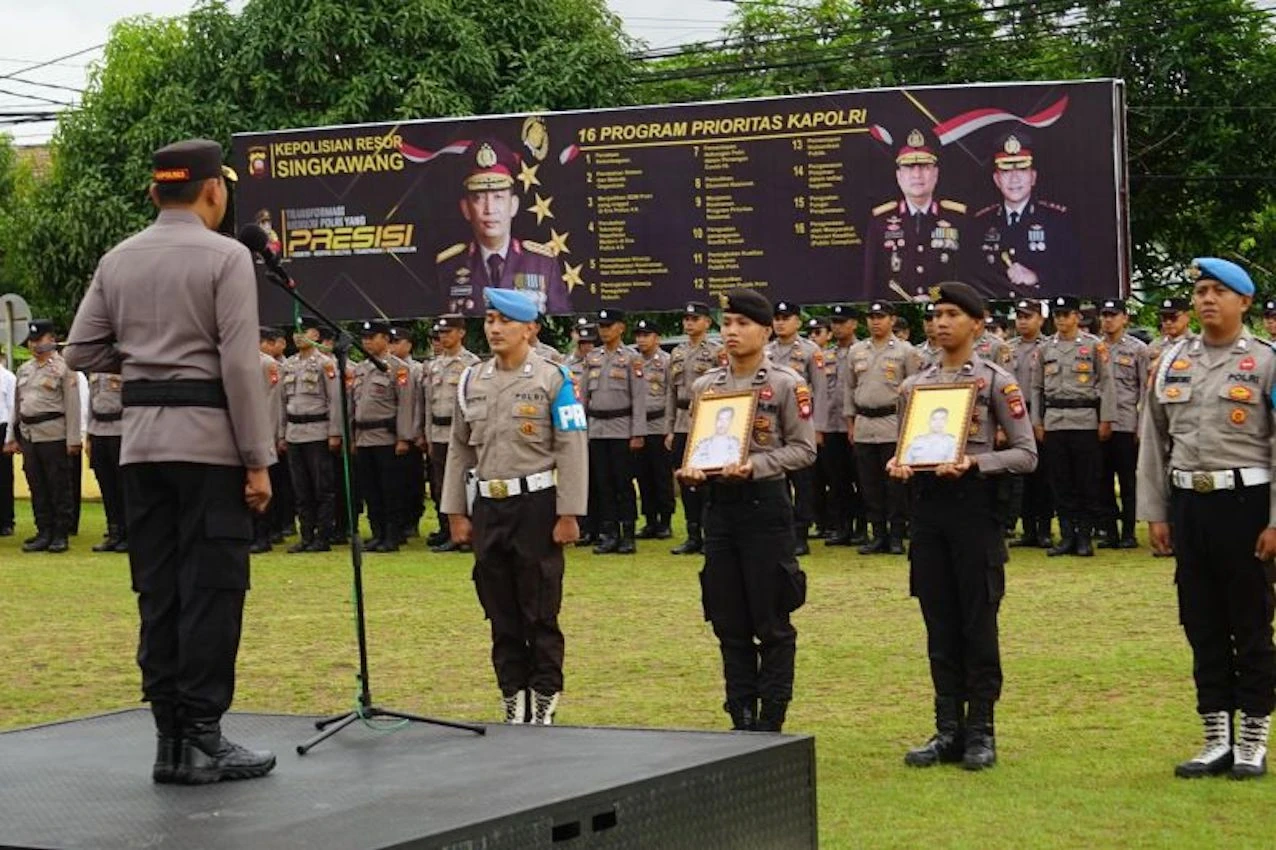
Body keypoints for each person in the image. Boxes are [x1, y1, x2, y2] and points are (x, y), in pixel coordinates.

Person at [64, 138, 276, 784]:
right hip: (210, 449)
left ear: (156, 192)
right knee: (212, 588)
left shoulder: (119, 258)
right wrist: (258, 460)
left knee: (157, 591)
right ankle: (204, 737)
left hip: (142, 450)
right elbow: (240, 366)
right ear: (215, 191)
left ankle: (169, 741)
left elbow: (78, 350)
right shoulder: (228, 258)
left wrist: (146, 366)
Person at [1137, 257, 1276, 780]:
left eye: (1219, 291)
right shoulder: (1173, 359)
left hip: (1246, 507)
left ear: (1244, 302)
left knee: (1251, 623)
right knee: (1201, 623)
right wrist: (1155, 512)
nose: (1206, 300)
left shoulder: (1266, 362)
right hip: (1189, 505)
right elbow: (1154, 440)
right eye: (1200, 291)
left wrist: (1275, 522)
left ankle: (1253, 739)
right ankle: (1215, 737)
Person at [890, 281, 1036, 771]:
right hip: (929, 508)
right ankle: (946, 727)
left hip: (974, 510)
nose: (940, 323)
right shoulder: (915, 385)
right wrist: (901, 464)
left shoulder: (997, 381)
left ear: (977, 323)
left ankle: (981, 730)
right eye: (935, 315)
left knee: (977, 621)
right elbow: (905, 447)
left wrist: (976, 465)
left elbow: (1025, 453)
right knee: (938, 621)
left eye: (952, 314)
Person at [442, 287, 588, 725]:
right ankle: (512, 694)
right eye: (489, 320)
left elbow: (572, 446)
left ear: (531, 328)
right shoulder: (472, 380)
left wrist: (569, 513)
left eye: (505, 321)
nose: (495, 329)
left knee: (539, 607)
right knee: (499, 609)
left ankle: (544, 694)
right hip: (489, 504)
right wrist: (454, 511)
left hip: (537, 505)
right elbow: (458, 449)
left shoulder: (554, 378)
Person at [676, 287, 816, 733]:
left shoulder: (785, 384)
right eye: (727, 324)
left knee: (771, 618)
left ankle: (771, 719)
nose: (731, 332)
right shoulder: (706, 387)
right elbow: (697, 447)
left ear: (766, 329)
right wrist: (694, 470)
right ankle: (741, 716)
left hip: (765, 506)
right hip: (719, 509)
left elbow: (803, 449)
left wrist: (755, 466)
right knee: (727, 617)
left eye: (742, 324)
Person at [436, 138, 569, 316]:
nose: (489, 209)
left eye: (498, 197)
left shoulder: (542, 263)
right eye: (479, 198)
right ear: (466, 209)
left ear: (513, 205)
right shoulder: (448, 266)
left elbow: (562, 317)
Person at [1030, 295, 1117, 557]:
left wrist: (1106, 418)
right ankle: (1067, 536)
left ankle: (1084, 537)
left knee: (1087, 481)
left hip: (1085, 420)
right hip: (1055, 420)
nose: (1061, 319)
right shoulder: (1046, 348)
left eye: (1066, 314)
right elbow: (1036, 387)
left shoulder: (1093, 346)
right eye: (1057, 315)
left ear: (1077, 317)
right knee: (1060, 482)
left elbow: (1107, 384)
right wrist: (1037, 420)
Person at [844, 301, 921, 554]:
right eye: (871, 317)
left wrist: (910, 429)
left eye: (881, 316)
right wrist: (851, 422)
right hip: (865, 424)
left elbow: (914, 390)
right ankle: (877, 534)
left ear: (892, 319)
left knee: (895, 485)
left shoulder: (905, 351)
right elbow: (849, 388)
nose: (875, 321)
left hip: (892, 423)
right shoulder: (857, 350)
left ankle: (897, 535)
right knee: (869, 484)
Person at [4, 319, 80, 553]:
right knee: (36, 485)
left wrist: (73, 439)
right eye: (32, 340)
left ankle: (60, 534)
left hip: (54, 434)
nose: (35, 344)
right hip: (30, 435)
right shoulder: (24, 370)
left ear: (52, 339)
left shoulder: (64, 368)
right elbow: (17, 407)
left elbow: (73, 405)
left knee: (58, 486)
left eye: (40, 339)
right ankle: (43, 530)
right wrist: (12, 436)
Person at [864, 128, 967, 299]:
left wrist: (933, 298)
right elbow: (872, 284)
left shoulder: (957, 219)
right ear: (898, 175)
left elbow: (966, 278)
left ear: (935, 173)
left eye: (925, 167)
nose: (917, 175)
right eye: (909, 167)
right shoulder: (880, 221)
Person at [973, 132, 1077, 299]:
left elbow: (1074, 276)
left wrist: (1036, 277)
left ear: (1033, 177)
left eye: (1022, 169)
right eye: (1006, 171)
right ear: (997, 179)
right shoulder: (980, 223)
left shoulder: (1056, 221)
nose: (1014, 178)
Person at [581, 307, 646, 555]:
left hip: (622, 428)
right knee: (603, 483)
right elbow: (584, 397)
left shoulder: (631, 358)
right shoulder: (592, 358)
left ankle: (627, 532)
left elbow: (639, 398)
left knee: (623, 483)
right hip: (597, 429)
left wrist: (637, 433)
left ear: (621, 328)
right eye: (601, 326)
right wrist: (582, 429)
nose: (604, 330)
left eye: (608, 326)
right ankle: (609, 533)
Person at [767, 301, 828, 555]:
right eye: (777, 317)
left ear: (798, 322)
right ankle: (782, 531)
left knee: (803, 482)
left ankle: (801, 533)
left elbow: (821, 391)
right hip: (771, 425)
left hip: (800, 423)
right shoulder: (765, 350)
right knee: (777, 481)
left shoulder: (810, 350)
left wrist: (819, 427)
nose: (780, 322)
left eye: (786, 317)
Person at [351, 319, 416, 553]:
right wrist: (353, 437)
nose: (367, 341)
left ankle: (393, 534)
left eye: (372, 337)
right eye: (364, 338)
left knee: (391, 489)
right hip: (364, 436)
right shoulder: (360, 369)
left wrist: (403, 437)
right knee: (371, 489)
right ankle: (377, 533)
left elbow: (406, 405)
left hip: (387, 437)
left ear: (386, 340)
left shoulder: (398, 369)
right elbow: (354, 406)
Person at [666, 301, 725, 555]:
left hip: (706, 418)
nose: (689, 323)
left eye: (695, 319)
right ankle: (692, 534)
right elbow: (670, 392)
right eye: (686, 319)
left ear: (707, 323)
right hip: (681, 420)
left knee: (708, 479)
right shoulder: (677, 353)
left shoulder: (716, 351)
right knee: (685, 478)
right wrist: (669, 428)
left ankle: (711, 532)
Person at [418, 314, 480, 553]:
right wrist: (427, 435)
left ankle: (470, 532)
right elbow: (427, 404)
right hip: (438, 431)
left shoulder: (471, 364)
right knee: (439, 485)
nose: (443, 337)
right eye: (441, 333)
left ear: (461, 333)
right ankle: (447, 529)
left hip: (460, 433)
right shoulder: (433, 365)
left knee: (464, 483)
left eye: (448, 332)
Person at [280, 316, 341, 553]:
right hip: (294, 432)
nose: (297, 336)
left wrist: (334, 433)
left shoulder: (326, 364)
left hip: (317, 431)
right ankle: (306, 535)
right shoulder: (289, 364)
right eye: (294, 331)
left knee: (322, 488)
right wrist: (280, 433)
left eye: (303, 331)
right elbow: (281, 403)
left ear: (315, 335)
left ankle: (323, 536)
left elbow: (335, 400)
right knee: (301, 489)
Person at [1097, 299, 1147, 548]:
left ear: (1125, 318)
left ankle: (1128, 532)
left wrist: (1142, 425)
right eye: (1105, 315)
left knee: (1127, 481)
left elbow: (1144, 390)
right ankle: (1109, 531)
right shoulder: (1093, 348)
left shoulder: (1138, 350)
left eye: (1113, 315)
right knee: (1102, 480)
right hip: (1099, 424)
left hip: (1127, 422)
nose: (1108, 320)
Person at [1007, 299, 1054, 548]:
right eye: (1020, 316)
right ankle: (1027, 530)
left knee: (1043, 476)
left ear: (1041, 319)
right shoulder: (1007, 349)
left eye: (1028, 316)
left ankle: (1044, 529)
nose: (1023, 321)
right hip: (1014, 415)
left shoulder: (1048, 347)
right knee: (1020, 475)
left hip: (1040, 413)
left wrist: (1040, 420)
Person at [823, 304, 866, 546]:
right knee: (837, 480)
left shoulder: (862, 352)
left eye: (842, 322)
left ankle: (861, 527)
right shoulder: (826, 355)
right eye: (834, 322)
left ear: (854, 324)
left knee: (859, 478)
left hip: (857, 424)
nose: (837, 327)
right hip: (831, 425)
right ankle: (842, 527)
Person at [633, 318, 674, 539]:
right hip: (638, 426)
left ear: (656, 337)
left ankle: (665, 521)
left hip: (659, 424)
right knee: (643, 475)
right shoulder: (632, 361)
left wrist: (669, 428)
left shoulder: (666, 362)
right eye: (638, 335)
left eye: (646, 335)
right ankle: (649, 520)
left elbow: (670, 394)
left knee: (661, 475)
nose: (641, 339)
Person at [252, 327, 286, 554]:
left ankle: (264, 535)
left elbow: (273, 402)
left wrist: (272, 434)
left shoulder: (266, 363)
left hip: (261, 431)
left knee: (265, 485)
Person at [390, 323, 426, 539]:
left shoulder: (416, 369)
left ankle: (412, 521)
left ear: (409, 345)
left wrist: (414, 433)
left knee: (412, 481)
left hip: (411, 433)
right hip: (389, 432)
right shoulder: (387, 367)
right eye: (391, 342)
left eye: (397, 342)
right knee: (395, 482)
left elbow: (418, 404)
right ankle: (399, 520)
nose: (393, 346)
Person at [87, 371, 127, 552]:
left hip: (121, 431)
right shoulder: (95, 370)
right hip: (98, 431)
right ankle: (114, 532)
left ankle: (129, 533)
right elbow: (90, 404)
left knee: (124, 486)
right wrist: (88, 435)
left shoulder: (124, 364)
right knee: (106, 486)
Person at [0, 356, 13, 536]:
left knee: (3, 476)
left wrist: (10, 436)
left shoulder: (8, 378)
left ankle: (5, 521)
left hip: (1, 427)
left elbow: (12, 408)